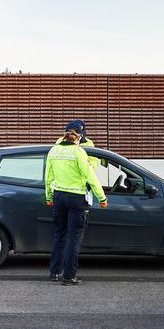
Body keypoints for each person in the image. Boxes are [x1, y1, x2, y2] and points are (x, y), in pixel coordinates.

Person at [45, 122, 108, 285]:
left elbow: (48, 177)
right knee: (74, 237)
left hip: (58, 197)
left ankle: (54, 273)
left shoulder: (53, 150)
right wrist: (102, 198)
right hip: (77, 198)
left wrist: (49, 197)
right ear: (79, 137)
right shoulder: (79, 152)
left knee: (59, 235)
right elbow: (90, 177)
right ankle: (69, 276)